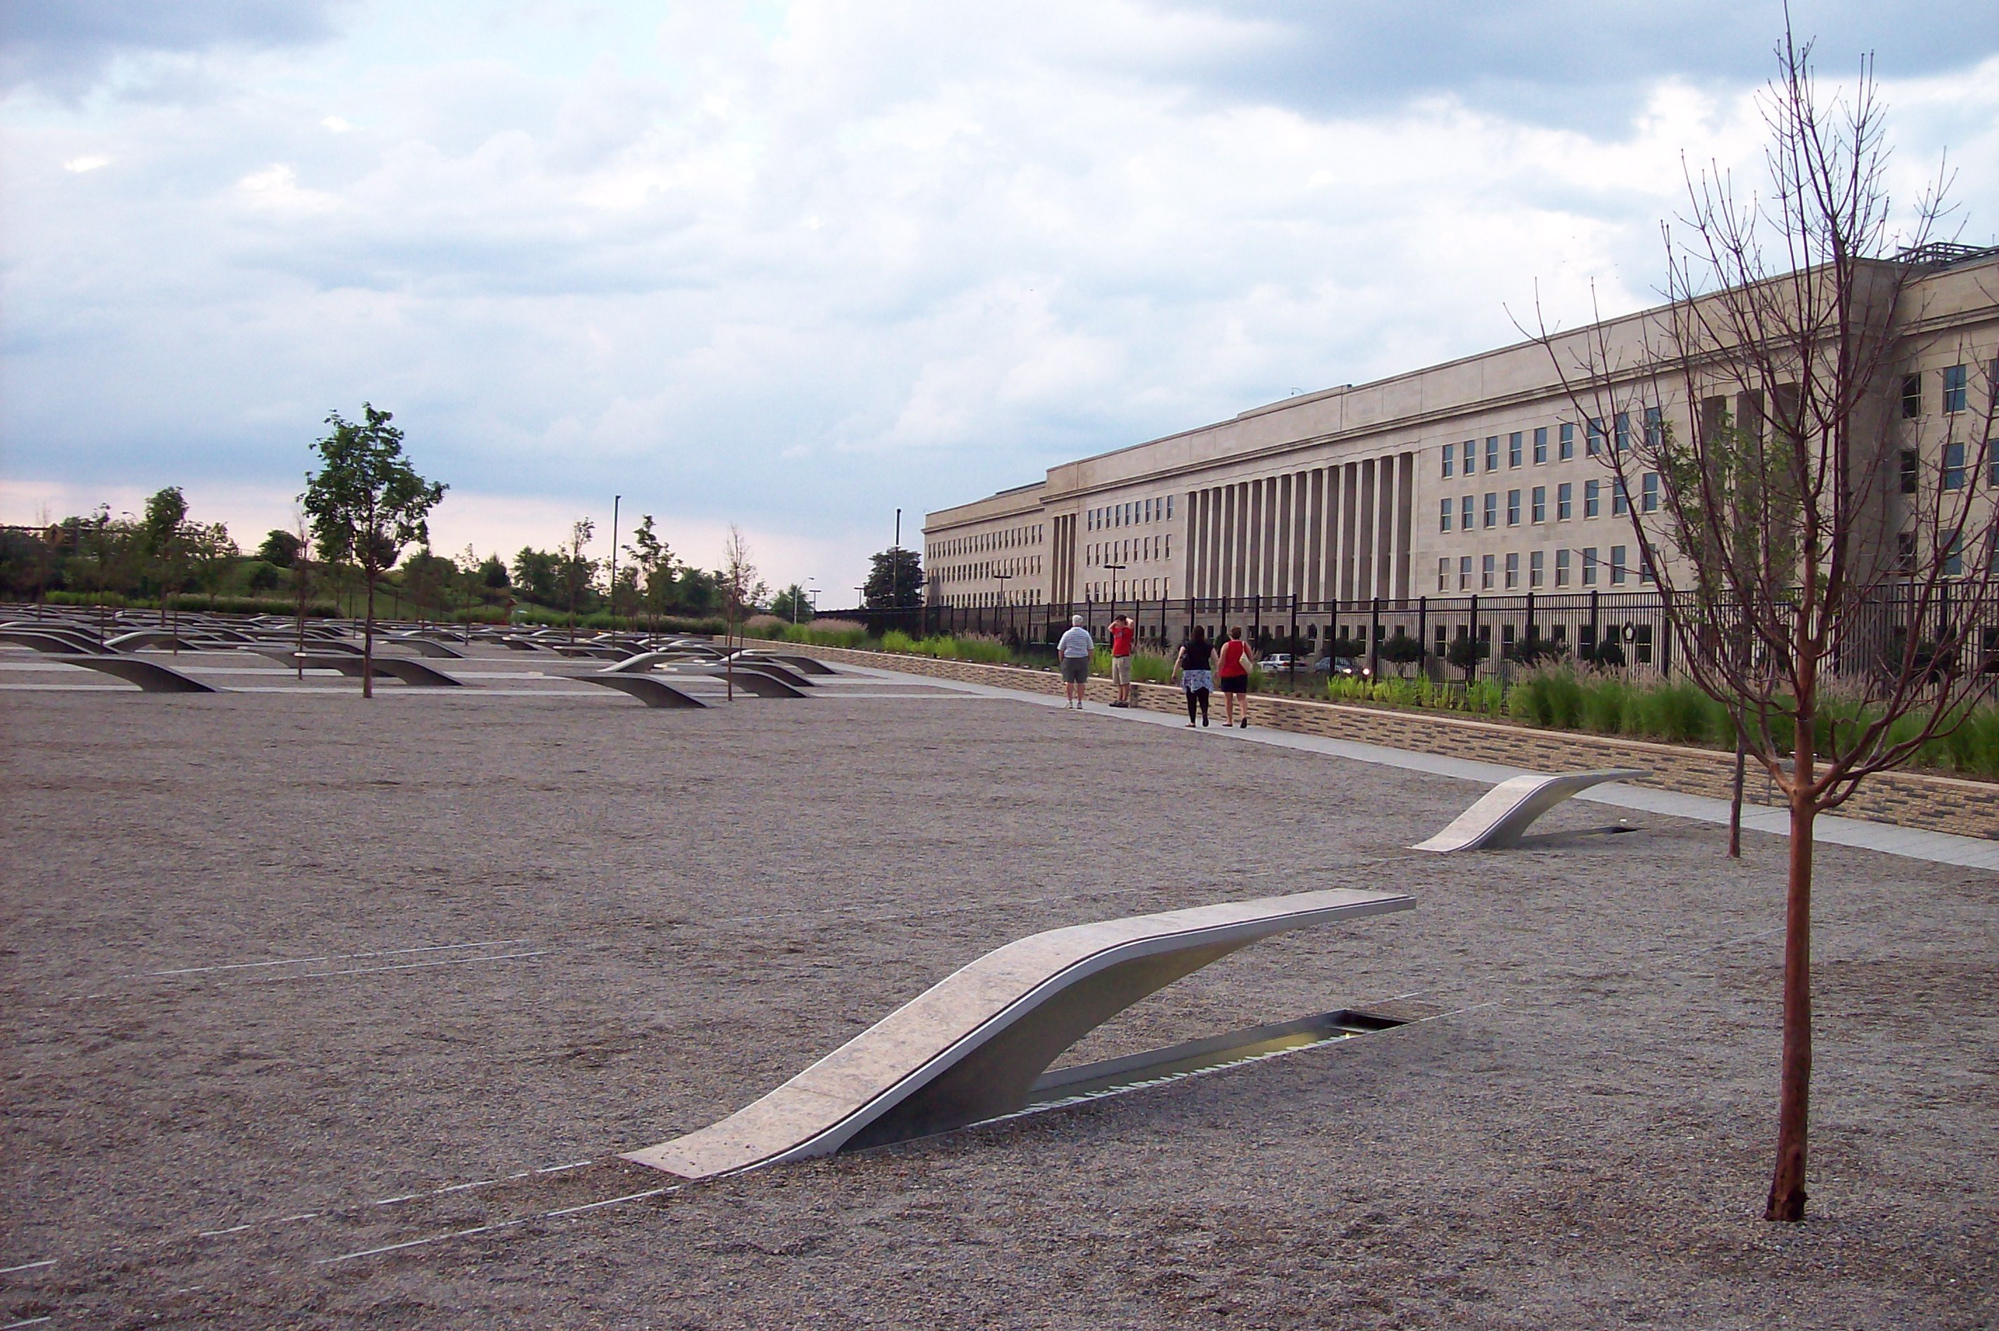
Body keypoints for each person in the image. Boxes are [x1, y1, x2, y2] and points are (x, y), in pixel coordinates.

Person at [1216, 626, 1255, 727]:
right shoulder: (1244, 645)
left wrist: (1218, 672)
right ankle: (1243, 715)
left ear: (1230, 635)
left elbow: (1221, 660)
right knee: (1241, 697)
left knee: (1228, 698)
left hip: (1227, 673)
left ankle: (1229, 720)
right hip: (1241, 673)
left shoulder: (1226, 645)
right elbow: (1251, 658)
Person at [1174, 626, 1213, 727]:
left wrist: (1174, 672)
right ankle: (1204, 712)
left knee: (1191, 698)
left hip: (1190, 673)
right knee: (1204, 696)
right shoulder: (1208, 646)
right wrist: (1218, 671)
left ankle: (1192, 721)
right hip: (1204, 672)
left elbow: (1180, 658)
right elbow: (1216, 659)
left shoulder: (1187, 645)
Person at [1055, 614, 1095, 710]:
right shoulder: (1085, 634)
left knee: (1069, 681)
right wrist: (1089, 659)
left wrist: (1061, 660)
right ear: (1081, 623)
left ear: (1072, 623)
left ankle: (1070, 701)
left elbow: (1061, 648)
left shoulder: (1067, 634)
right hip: (1082, 658)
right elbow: (1090, 648)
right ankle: (1080, 702)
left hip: (1069, 658)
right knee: (1081, 682)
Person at [1108, 614, 1136, 708]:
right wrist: (1115, 622)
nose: (1117, 624)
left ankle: (1124, 700)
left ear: (1123, 622)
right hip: (1115, 657)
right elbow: (1109, 628)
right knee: (1118, 681)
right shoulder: (1117, 631)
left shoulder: (1127, 630)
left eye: (1119, 622)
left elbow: (1131, 623)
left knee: (1124, 680)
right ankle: (1119, 698)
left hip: (1123, 657)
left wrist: (1125, 619)